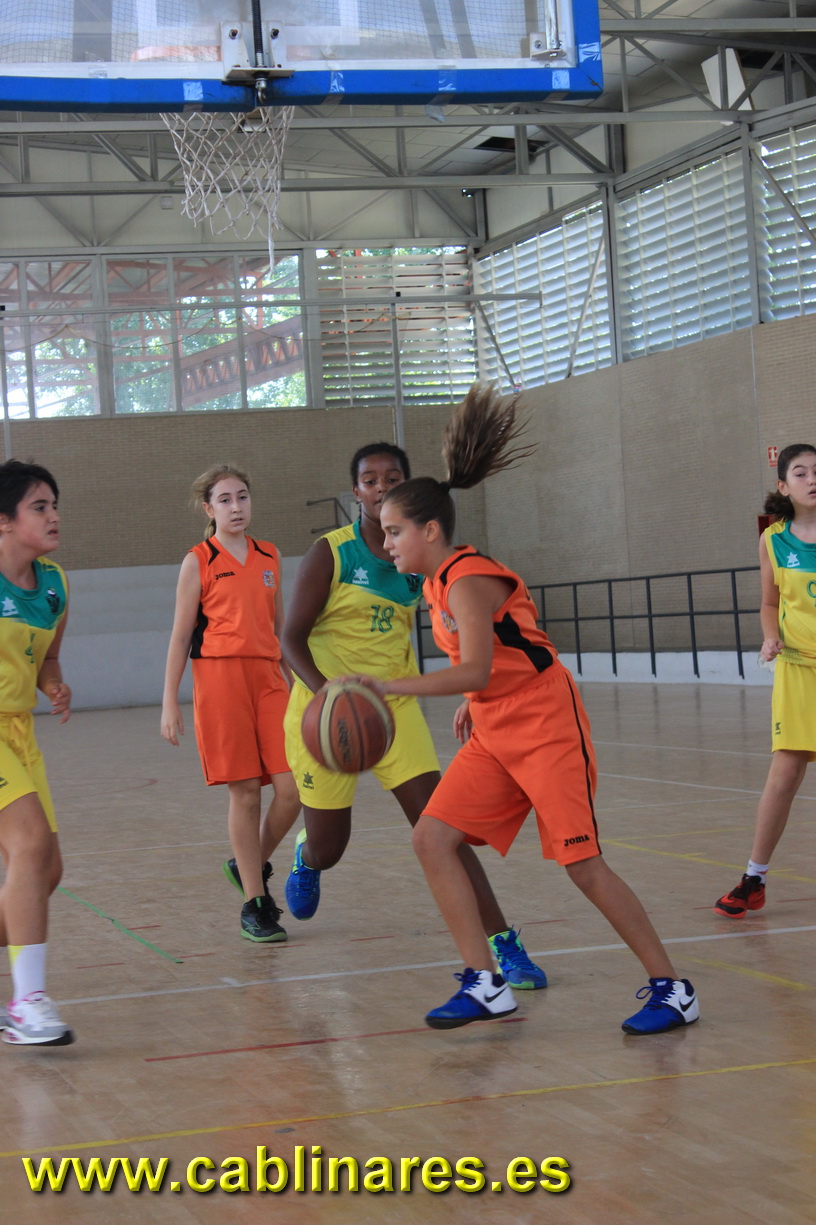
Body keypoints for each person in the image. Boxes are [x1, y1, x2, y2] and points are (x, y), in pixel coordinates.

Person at [355, 384, 699, 1035]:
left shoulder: (467, 576)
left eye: (395, 530)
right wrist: (470, 701)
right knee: (432, 837)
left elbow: (479, 666)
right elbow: (484, 665)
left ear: (431, 530)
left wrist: (394, 687)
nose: (388, 540)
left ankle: (673, 989)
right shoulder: (435, 583)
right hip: (495, 728)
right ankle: (485, 982)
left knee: (582, 865)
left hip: (544, 725)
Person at [280, 442, 547, 990]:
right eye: (369, 479)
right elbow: (289, 638)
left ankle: (504, 944)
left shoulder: (417, 557)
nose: (380, 487)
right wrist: (328, 695)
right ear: (355, 492)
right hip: (327, 713)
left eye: (392, 477)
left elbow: (461, 631)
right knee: (330, 847)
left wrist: (471, 693)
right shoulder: (331, 553)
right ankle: (308, 857)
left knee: (444, 829)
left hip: (394, 709)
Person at [161, 464, 301, 943]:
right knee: (245, 793)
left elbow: (280, 630)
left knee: (292, 790)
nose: (236, 507)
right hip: (219, 679)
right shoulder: (197, 561)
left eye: (242, 496)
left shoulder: (270, 555)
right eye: (225, 500)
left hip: (268, 679)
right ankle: (254, 904)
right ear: (209, 508)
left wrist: (297, 686)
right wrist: (169, 702)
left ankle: (248, 864)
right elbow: (181, 636)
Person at [714, 443, 816, 918]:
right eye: (801, 472)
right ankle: (753, 879)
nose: (812, 479)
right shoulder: (773, 540)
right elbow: (770, 602)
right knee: (784, 775)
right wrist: (770, 636)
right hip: (798, 668)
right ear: (783, 485)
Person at [0, 460, 74, 1046]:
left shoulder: (54, 585)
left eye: (54, 506)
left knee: (46, 869)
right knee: (28, 842)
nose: (53, 517)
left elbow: (46, 656)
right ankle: (27, 1003)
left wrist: (53, 683)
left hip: (19, 732)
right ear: (4, 520)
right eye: (39, 507)